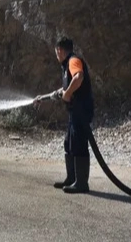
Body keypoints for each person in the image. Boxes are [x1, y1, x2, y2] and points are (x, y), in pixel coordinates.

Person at [34, 37, 95, 194]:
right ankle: (71, 179)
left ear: (60, 50)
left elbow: (79, 77)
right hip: (75, 112)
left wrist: (68, 94)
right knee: (69, 143)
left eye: (56, 52)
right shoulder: (66, 66)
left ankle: (81, 184)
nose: (56, 55)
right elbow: (61, 92)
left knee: (79, 143)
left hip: (81, 111)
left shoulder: (73, 61)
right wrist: (43, 98)